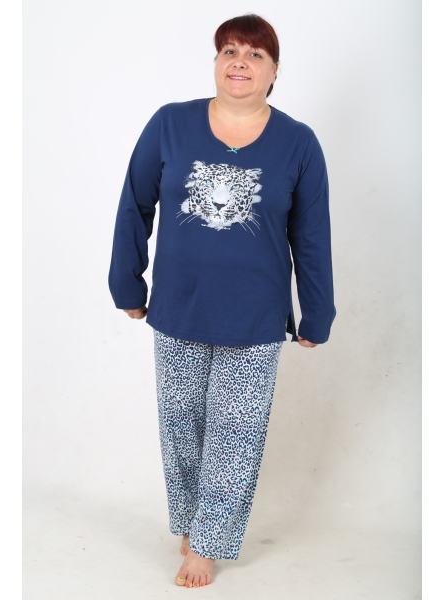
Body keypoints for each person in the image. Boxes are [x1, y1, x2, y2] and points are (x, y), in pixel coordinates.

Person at [109, 13, 335, 588]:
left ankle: (207, 545)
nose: (240, 62)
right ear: (215, 63)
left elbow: (311, 236)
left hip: (254, 316)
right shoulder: (170, 123)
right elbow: (135, 205)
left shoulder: (299, 143)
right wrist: (127, 284)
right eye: (229, 50)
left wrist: (317, 310)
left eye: (255, 54)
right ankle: (190, 524)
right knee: (181, 429)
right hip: (178, 307)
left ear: (274, 71)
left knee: (235, 435)